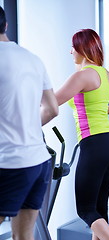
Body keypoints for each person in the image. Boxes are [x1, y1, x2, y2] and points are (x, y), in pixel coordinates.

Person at [55, 28, 109, 240]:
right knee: (99, 208)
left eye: (73, 47)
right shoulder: (106, 75)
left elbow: (52, 101)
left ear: (81, 47)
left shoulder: (82, 75)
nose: (70, 51)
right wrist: (99, 110)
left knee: (86, 209)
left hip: (94, 143)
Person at [0, 6, 58, 240]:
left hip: (8, 163)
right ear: (5, 25)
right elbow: (52, 109)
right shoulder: (33, 59)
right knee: (24, 237)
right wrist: (25, 128)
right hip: (38, 161)